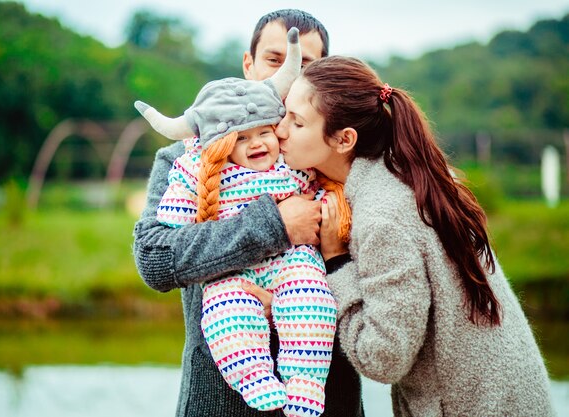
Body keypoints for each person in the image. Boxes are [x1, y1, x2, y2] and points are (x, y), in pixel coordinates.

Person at [273, 55, 555, 416]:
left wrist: (336, 261)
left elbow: (383, 358)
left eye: (297, 123)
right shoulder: (412, 175)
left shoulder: (381, 218)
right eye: (285, 114)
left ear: (344, 139)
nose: (280, 130)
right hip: (512, 398)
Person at [132, 10, 363, 417]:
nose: (289, 77)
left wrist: (320, 275)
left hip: (331, 399)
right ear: (248, 64)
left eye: (306, 67)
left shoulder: (337, 155)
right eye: (277, 61)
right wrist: (276, 225)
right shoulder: (182, 158)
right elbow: (154, 259)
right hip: (219, 401)